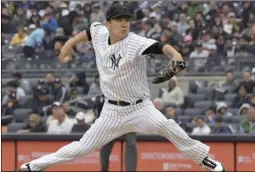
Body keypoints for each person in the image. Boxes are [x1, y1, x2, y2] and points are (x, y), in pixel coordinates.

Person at [20, 4, 225, 172]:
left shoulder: (135, 42)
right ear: (108, 23)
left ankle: (205, 160)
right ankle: (34, 166)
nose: (124, 24)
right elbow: (89, 31)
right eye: (119, 20)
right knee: (81, 147)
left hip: (139, 108)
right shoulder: (100, 33)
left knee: (169, 126)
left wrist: (176, 55)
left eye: (126, 20)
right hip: (111, 112)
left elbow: (159, 47)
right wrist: (68, 44)